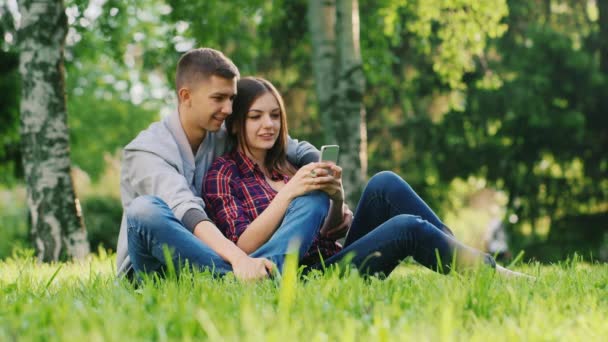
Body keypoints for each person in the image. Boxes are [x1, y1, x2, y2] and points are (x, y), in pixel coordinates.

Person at [204, 77, 531, 279]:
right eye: (256, 116)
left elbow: (332, 229)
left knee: (384, 183)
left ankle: (455, 254)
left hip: (334, 255)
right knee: (407, 228)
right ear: (235, 124)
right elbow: (242, 246)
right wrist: (289, 194)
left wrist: (336, 198)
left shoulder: (287, 165)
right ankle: (486, 272)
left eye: (275, 116)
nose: (269, 125)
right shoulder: (223, 174)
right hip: (307, 275)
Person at [116, 48, 348, 281]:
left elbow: (296, 148)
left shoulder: (222, 130)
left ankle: (255, 275)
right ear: (186, 96)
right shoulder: (146, 150)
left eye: (231, 98)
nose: (228, 109)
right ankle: (241, 277)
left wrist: (322, 178)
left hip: (215, 255)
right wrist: (240, 260)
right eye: (218, 98)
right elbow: (186, 211)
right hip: (157, 265)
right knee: (144, 210)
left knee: (308, 193)